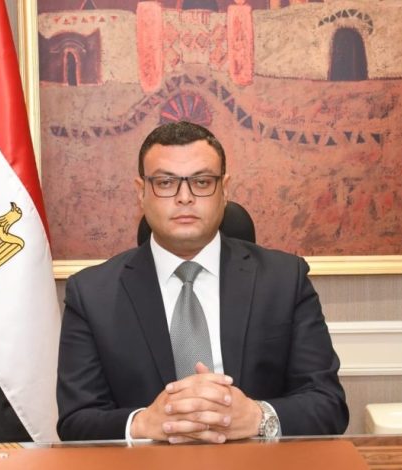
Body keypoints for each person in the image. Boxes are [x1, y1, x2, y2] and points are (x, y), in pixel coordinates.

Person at [57, 121, 348, 443]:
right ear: (141, 192)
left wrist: (258, 417)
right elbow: (76, 421)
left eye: (202, 182)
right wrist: (143, 423)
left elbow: (328, 405)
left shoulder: (284, 279)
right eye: (165, 183)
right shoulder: (91, 294)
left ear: (225, 189)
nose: (185, 197)